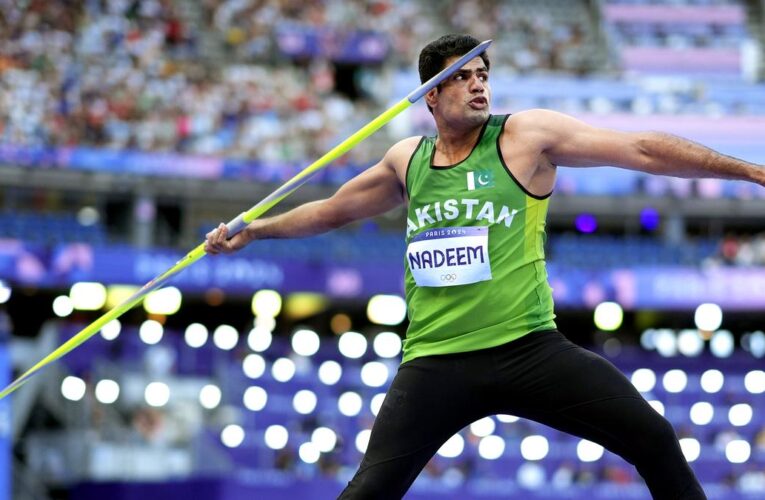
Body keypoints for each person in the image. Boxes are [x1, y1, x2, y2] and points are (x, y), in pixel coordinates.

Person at [205, 34, 764, 499]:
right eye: (463, 77)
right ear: (430, 94)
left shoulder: (524, 137)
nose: (479, 85)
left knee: (655, 438)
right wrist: (255, 231)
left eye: (483, 75)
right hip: (435, 360)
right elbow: (332, 210)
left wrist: (751, 172)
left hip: (528, 349)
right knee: (367, 492)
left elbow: (642, 149)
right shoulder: (407, 160)